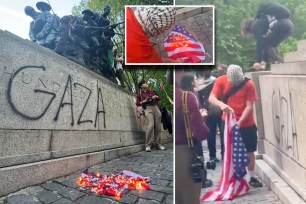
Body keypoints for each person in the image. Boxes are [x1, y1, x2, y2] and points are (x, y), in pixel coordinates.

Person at [209, 64, 263, 188]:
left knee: (249, 150)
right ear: (228, 78)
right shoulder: (221, 81)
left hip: (247, 123)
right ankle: (232, 177)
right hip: (227, 122)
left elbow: (249, 106)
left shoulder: (249, 84)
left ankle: (252, 176)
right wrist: (222, 105)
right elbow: (212, 97)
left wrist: (239, 122)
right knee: (229, 150)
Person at [175, 71, 210, 204]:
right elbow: (201, 132)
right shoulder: (186, 97)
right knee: (190, 198)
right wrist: (203, 117)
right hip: (185, 154)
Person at [241, 2, 294, 70]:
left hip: (280, 25)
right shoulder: (260, 20)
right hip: (288, 25)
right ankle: (278, 61)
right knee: (270, 44)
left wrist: (258, 61)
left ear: (247, 28)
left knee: (268, 45)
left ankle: (279, 60)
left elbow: (260, 44)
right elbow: (265, 43)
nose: (252, 34)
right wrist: (264, 60)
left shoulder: (254, 26)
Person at [195, 70, 223, 162]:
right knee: (216, 134)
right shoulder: (214, 81)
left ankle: (214, 155)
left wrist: (203, 108)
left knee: (214, 134)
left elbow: (199, 99)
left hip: (213, 110)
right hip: (214, 110)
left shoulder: (203, 84)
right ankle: (218, 155)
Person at [136, 80, 166, 152]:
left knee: (158, 127)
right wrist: (145, 100)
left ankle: (158, 144)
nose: (146, 84)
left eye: (146, 83)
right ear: (141, 86)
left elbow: (159, 97)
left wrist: (156, 96)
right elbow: (138, 103)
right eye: (144, 83)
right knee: (151, 125)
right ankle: (148, 145)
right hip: (147, 108)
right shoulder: (139, 94)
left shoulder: (152, 91)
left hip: (155, 107)